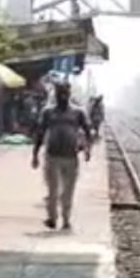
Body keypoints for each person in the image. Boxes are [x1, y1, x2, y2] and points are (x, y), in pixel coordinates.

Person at [32, 84, 92, 231]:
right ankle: (52, 218)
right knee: (52, 190)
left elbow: (88, 131)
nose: (63, 96)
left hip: (71, 156)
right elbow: (40, 133)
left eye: (65, 93)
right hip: (52, 155)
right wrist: (35, 154)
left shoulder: (78, 113)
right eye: (60, 93)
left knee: (68, 191)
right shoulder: (48, 112)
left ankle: (66, 219)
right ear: (56, 95)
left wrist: (87, 149)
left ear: (69, 94)